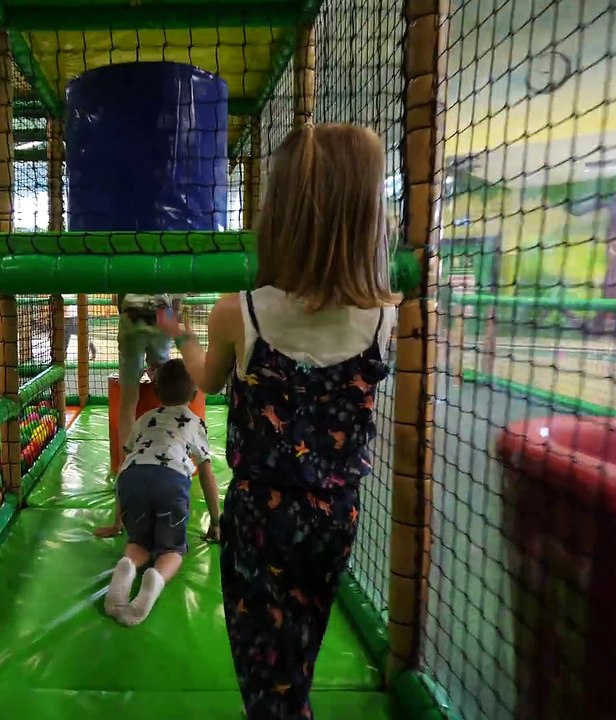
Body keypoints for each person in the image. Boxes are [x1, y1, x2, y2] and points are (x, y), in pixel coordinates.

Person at [155, 123, 398, 720]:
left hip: (262, 515)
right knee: (302, 646)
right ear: (366, 218)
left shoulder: (240, 312)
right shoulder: (385, 319)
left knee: (265, 667)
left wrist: (179, 332)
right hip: (337, 516)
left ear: (281, 215)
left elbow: (205, 384)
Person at [93, 359, 221, 627]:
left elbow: (125, 467)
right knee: (171, 548)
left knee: (138, 540)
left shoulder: (144, 418)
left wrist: (117, 523)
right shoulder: (195, 422)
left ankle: (128, 564)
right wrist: (217, 523)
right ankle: (156, 578)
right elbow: (207, 475)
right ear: (195, 391)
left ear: (158, 393)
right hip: (170, 480)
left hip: (132, 479)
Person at [114, 293, 182, 464]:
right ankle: (166, 456)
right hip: (162, 312)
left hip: (132, 311)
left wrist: (123, 311)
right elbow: (177, 297)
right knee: (165, 387)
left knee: (128, 399)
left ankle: (127, 464)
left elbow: (118, 293)